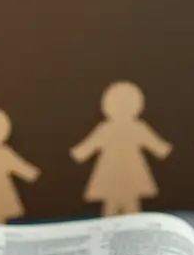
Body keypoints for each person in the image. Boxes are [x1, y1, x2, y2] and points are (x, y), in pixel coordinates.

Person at [70, 82, 171, 216]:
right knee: (111, 209)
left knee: (131, 208)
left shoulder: (136, 127)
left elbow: (158, 147)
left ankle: (131, 230)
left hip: (130, 175)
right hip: (110, 176)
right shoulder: (107, 128)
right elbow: (87, 148)